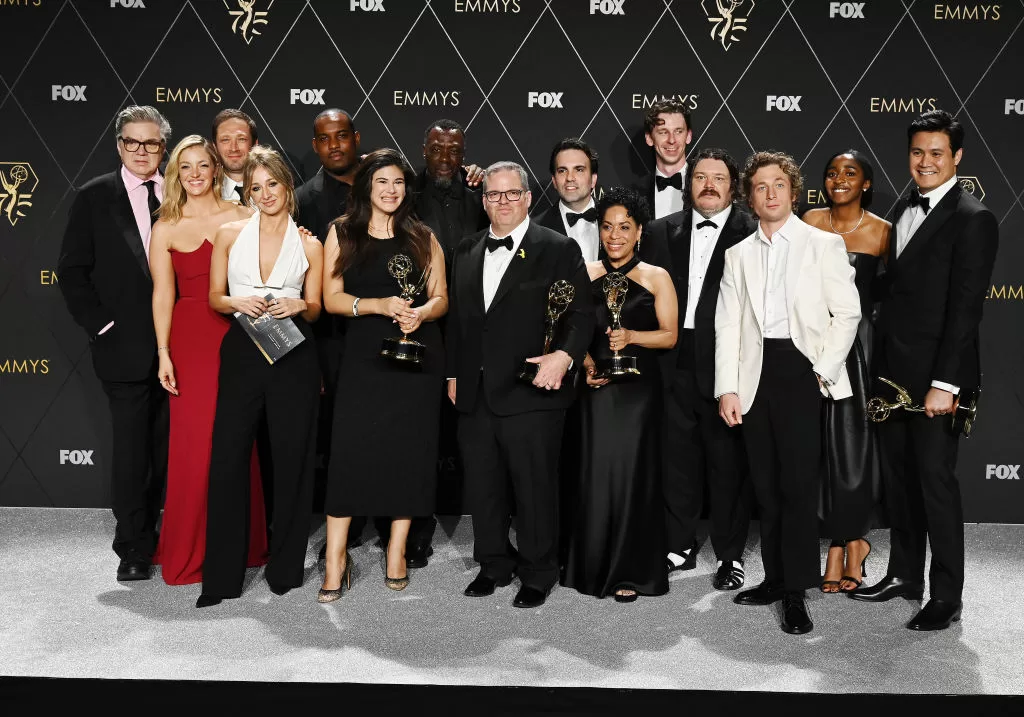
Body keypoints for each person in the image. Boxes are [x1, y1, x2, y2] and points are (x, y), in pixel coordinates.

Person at [849, 110, 998, 631]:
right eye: (918, 152)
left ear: (957, 157)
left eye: (937, 153)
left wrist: (945, 384)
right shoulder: (902, 204)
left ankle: (946, 595)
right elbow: (898, 286)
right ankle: (905, 575)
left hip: (936, 378)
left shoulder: (973, 217)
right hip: (892, 373)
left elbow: (966, 308)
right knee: (900, 481)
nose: (926, 162)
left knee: (935, 483)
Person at [715, 150, 860, 634]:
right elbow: (728, 326)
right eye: (760, 186)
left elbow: (849, 313)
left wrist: (822, 371)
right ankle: (775, 579)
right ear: (749, 197)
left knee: (798, 488)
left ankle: (797, 591)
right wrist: (727, 389)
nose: (770, 193)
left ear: (793, 192)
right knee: (767, 487)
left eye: (779, 184)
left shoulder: (822, 244)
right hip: (755, 376)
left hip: (803, 372)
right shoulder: (737, 255)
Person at [447, 161, 593, 609]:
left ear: (528, 198)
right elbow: (460, 322)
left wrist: (564, 356)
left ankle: (537, 570)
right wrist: (453, 374)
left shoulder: (557, 247)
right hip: (475, 392)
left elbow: (583, 313)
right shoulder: (467, 250)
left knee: (534, 488)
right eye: (494, 195)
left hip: (533, 391)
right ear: (484, 200)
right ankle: (493, 563)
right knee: (484, 487)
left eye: (512, 194)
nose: (503, 202)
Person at [318, 149, 448, 602]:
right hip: (361, 359)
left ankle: (396, 551)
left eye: (398, 182)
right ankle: (336, 558)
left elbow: (441, 297)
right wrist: (377, 305)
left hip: (415, 360)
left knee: (409, 455)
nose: (391, 190)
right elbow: (330, 298)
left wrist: (421, 313)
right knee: (349, 455)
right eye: (382, 183)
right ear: (366, 188)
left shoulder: (422, 236)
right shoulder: (342, 232)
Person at [196, 146, 324, 608]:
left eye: (273, 184)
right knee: (228, 459)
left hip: (294, 351)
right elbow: (214, 296)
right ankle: (222, 577)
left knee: (293, 460)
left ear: (287, 187)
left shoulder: (311, 242)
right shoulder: (228, 233)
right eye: (255, 187)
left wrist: (298, 305)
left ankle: (285, 569)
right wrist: (236, 302)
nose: (265, 194)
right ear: (246, 191)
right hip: (243, 350)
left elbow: (317, 304)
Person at [58, 105, 172, 582]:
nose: (141, 152)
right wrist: (103, 327)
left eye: (151, 144)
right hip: (122, 347)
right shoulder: (94, 196)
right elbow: (72, 272)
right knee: (131, 452)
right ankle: (133, 546)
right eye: (132, 142)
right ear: (119, 145)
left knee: (172, 451)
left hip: (182, 349)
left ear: (164, 148)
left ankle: (174, 537)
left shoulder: (184, 193)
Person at [148, 135, 268, 586]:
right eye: (185, 167)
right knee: (194, 447)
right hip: (189, 341)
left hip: (237, 334)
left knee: (239, 440)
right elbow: (163, 294)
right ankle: (189, 550)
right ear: (175, 174)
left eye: (203, 165)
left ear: (216, 169)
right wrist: (163, 352)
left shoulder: (243, 214)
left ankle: (245, 544)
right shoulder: (165, 227)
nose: (195, 174)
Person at [642, 148, 757, 589]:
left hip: (727, 359)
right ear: (689, 185)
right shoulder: (658, 230)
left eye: (719, 178)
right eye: (701, 177)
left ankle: (730, 555)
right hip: (670, 356)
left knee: (727, 462)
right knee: (677, 459)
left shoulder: (751, 231)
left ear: (733, 186)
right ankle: (679, 545)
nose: (709, 184)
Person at [561, 187, 677, 602]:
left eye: (624, 227)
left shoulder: (656, 276)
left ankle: (632, 569)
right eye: (607, 227)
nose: (615, 236)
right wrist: (587, 364)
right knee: (594, 476)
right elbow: (572, 331)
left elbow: (669, 335)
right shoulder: (584, 273)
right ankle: (590, 566)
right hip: (595, 391)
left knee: (632, 478)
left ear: (639, 230)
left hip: (638, 393)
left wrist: (632, 336)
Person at [802, 150, 889, 594]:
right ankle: (839, 541)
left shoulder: (882, 232)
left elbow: (888, 300)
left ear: (866, 183)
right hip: (812, 342)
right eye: (832, 173)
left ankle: (850, 544)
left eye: (850, 173)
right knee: (819, 449)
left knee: (852, 448)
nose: (839, 179)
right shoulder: (808, 220)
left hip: (860, 349)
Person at [407, 118, 489, 569]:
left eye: (453, 150)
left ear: (464, 154)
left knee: (475, 434)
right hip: (420, 327)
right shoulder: (405, 195)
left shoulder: (482, 196)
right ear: (424, 148)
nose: (444, 158)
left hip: (474, 331)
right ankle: (416, 530)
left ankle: (489, 534)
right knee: (423, 434)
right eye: (436, 149)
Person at [534, 138, 601, 262]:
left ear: (593, 179)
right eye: (562, 171)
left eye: (579, 170)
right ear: (554, 181)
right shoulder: (535, 231)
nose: (570, 178)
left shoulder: (618, 220)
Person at [635, 100, 692, 219]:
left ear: (688, 136)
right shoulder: (636, 193)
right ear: (649, 138)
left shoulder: (704, 187)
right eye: (663, 132)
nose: (672, 140)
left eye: (678, 131)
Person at [211, 109, 258, 203]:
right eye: (225, 140)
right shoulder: (205, 194)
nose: (233, 148)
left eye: (241, 139)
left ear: (255, 144)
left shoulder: (275, 192)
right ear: (215, 147)